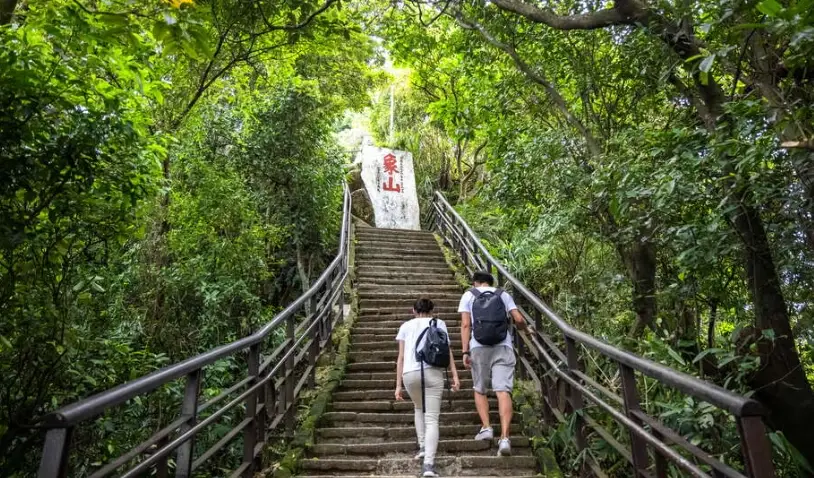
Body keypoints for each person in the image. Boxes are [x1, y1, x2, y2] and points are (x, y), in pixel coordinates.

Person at [458, 271, 527, 456]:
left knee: (479, 388)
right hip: (503, 346)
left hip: (478, 347)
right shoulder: (503, 294)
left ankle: (487, 427)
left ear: (475, 283)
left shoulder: (468, 295)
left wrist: (465, 351)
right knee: (503, 390)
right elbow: (518, 319)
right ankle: (505, 438)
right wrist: (526, 330)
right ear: (491, 282)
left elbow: (465, 325)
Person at [395, 298, 461, 477]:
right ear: (432, 310)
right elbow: (447, 352)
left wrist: (398, 385)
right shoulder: (439, 323)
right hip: (433, 373)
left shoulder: (405, 326)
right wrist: (455, 375)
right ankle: (428, 465)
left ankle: (423, 446)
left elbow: (400, 358)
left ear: (413, 310)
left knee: (418, 407)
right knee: (431, 418)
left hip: (409, 374)